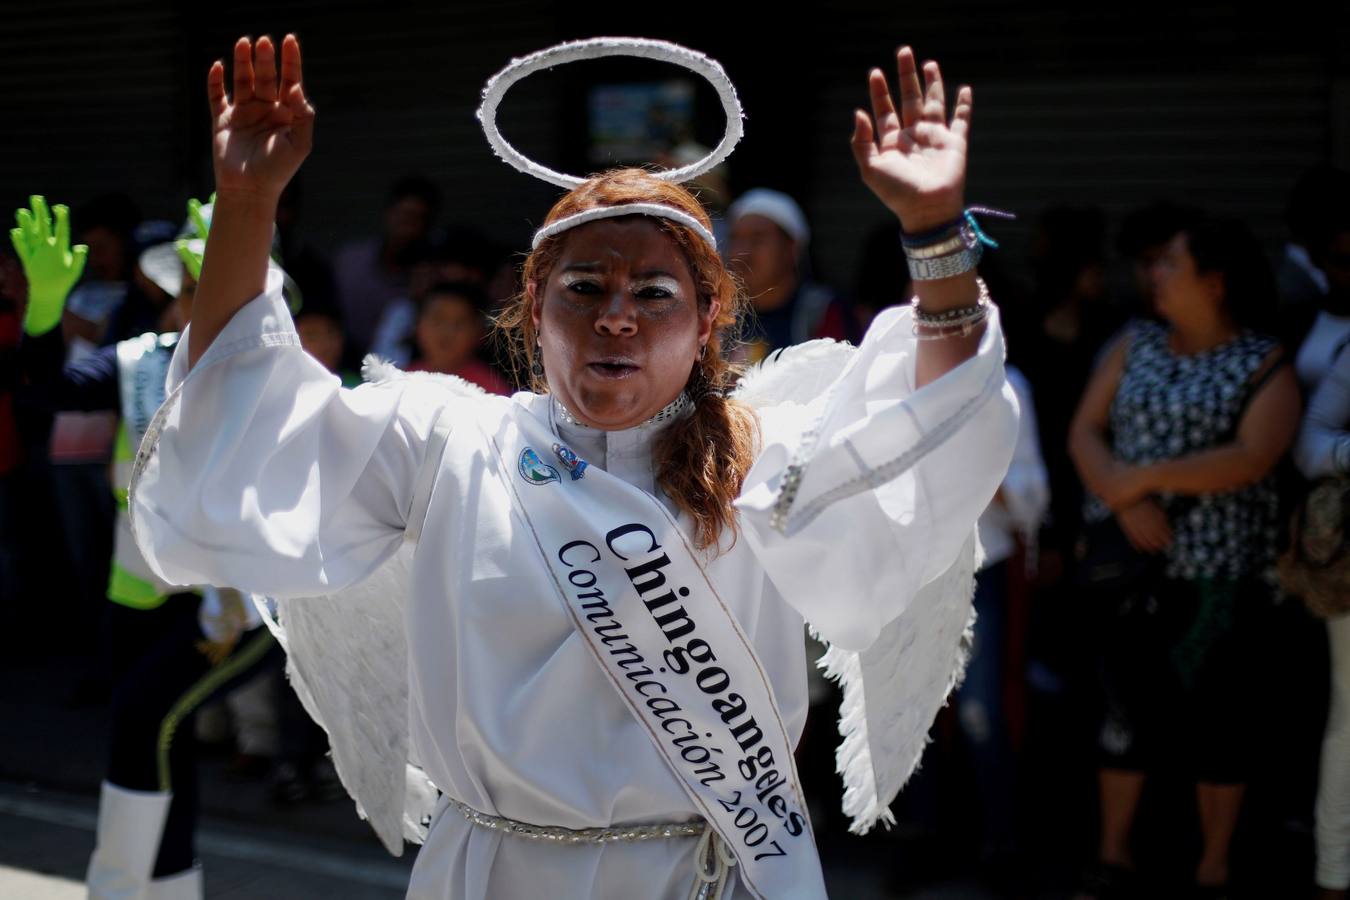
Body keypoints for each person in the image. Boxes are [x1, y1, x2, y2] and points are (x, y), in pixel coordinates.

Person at [129, 35, 1017, 899]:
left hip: (707, 876)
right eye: (585, 288)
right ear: (533, 305)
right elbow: (240, 429)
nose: (616, 318)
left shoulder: (764, 454)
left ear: (708, 320)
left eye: (655, 294)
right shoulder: (444, 441)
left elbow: (936, 435)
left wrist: (933, 233)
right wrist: (248, 200)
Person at [12, 195, 279, 900]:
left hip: (234, 603)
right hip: (136, 590)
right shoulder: (136, 362)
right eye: (190, 286)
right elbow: (42, 394)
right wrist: (45, 310)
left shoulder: (282, 377)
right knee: (160, 740)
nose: (197, 300)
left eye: (217, 285)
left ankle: (117, 888)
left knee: (142, 718)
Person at [1068, 217, 1301, 899]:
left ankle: (1213, 869)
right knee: (1122, 718)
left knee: (1219, 726)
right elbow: (1084, 430)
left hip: (1219, 578)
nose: (1155, 275)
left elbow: (1254, 455)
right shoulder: (1133, 342)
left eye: (1171, 263)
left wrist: (1142, 479)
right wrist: (1121, 498)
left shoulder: (1263, 361)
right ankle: (1113, 858)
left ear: (1215, 282)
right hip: (1128, 574)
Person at [725, 188, 854, 362]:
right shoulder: (720, 316)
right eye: (735, 239)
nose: (742, 252)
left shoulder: (821, 312)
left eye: (757, 239)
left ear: (792, 248)